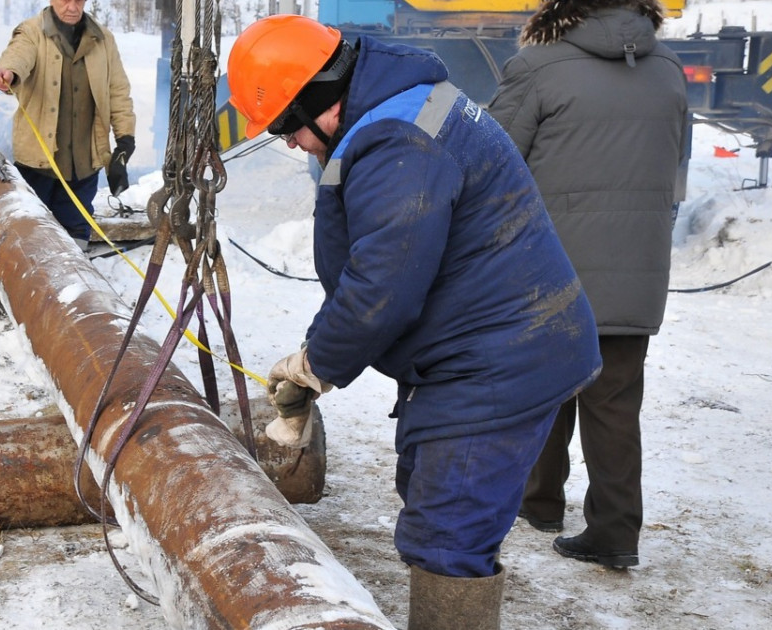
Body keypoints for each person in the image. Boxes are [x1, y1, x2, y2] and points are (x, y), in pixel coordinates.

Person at [227, 14, 602, 628]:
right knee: (427, 492)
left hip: (497, 359)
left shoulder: (397, 138)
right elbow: (381, 262)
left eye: (287, 128)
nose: (291, 143)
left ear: (317, 98)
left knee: (448, 536)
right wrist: (319, 354)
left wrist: (315, 366)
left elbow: (383, 288)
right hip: (486, 346)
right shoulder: (395, 105)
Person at [488, 0, 687, 569]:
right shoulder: (668, 68)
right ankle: (615, 531)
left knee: (544, 383)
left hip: (550, 268)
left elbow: (495, 157)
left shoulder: (537, 66)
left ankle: (540, 500)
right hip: (637, 266)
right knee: (616, 401)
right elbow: (670, 162)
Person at [0, 0, 136, 251]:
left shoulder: (103, 40)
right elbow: (18, 56)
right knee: (30, 235)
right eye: (65, 0)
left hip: (84, 164)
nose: (72, 7)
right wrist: (9, 73)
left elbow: (118, 92)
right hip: (38, 164)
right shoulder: (31, 32)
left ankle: (74, 281)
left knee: (76, 234)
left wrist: (125, 140)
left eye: (78, 0)